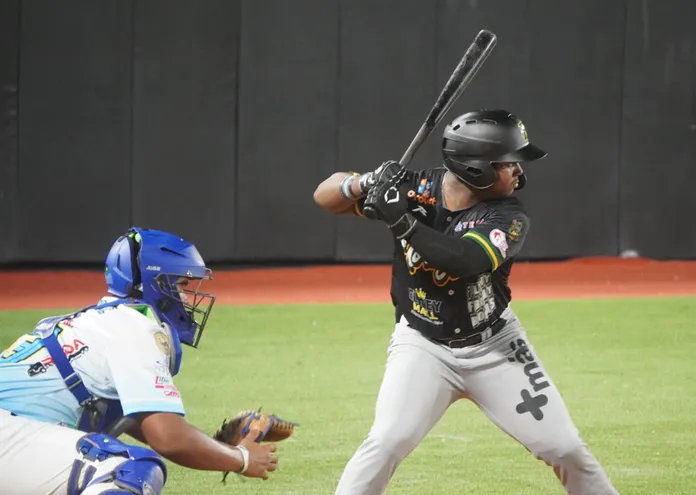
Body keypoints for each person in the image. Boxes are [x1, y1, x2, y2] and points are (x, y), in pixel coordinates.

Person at [313, 109, 619, 494]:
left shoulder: (508, 215)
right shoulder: (414, 188)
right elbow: (325, 196)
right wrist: (366, 182)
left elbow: (463, 260)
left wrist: (401, 221)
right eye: (510, 164)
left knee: (566, 448)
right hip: (422, 346)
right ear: (478, 169)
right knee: (385, 441)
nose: (520, 173)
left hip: (496, 348)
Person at [0, 227, 279, 494]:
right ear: (157, 283)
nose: (188, 296)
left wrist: (216, 448)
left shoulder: (104, 321)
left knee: (100, 442)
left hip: (14, 439)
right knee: (129, 469)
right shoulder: (134, 326)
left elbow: (136, 419)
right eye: (182, 284)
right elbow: (168, 438)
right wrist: (241, 458)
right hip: (9, 436)